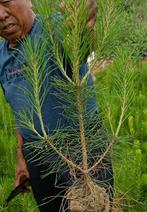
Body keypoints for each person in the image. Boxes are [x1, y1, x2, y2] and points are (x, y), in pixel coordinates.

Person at [0, 0, 113, 211]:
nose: (1, 14)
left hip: (82, 149)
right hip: (37, 156)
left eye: (5, 2)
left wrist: (84, 21)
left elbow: (82, 42)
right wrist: (22, 158)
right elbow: (21, 110)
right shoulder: (1, 57)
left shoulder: (56, 29)